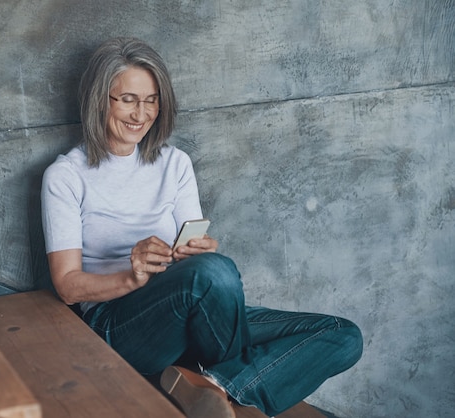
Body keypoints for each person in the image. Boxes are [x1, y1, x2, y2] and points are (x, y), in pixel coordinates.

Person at [41, 37, 363, 418]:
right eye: (127, 99)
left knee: (342, 335)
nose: (140, 114)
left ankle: (216, 386)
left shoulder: (174, 163)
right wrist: (133, 276)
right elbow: (67, 286)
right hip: (117, 324)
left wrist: (197, 252)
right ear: (99, 99)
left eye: (151, 100)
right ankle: (237, 393)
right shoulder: (65, 176)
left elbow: (195, 263)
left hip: (190, 313)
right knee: (215, 273)